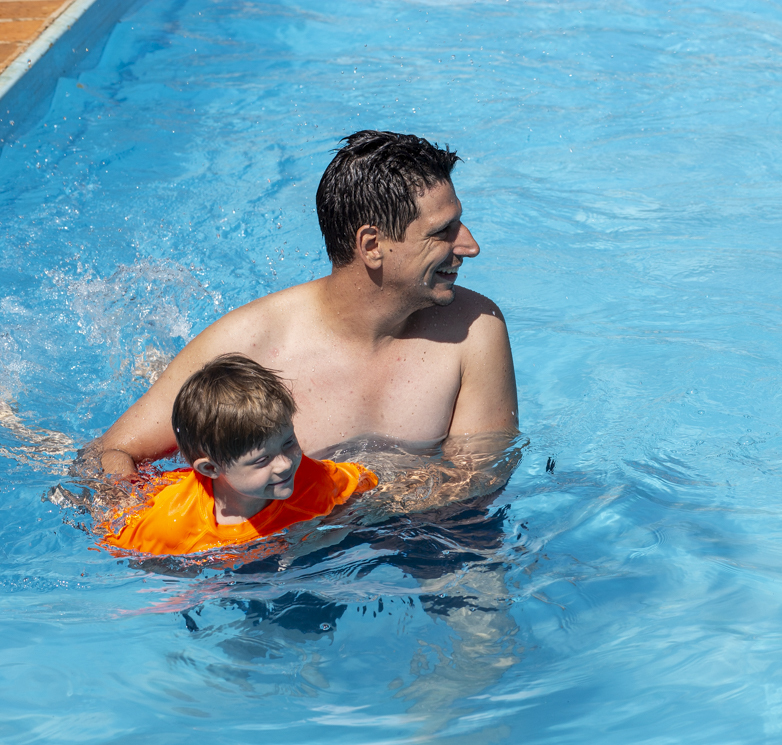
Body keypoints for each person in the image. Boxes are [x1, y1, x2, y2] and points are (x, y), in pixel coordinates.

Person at [94, 131, 518, 504]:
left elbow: (480, 481)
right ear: (372, 245)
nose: (470, 246)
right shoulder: (250, 344)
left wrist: (344, 507)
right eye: (443, 231)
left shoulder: (474, 329)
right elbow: (107, 455)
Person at [101, 354, 378, 556]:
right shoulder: (170, 525)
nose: (285, 464)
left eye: (288, 443)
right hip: (160, 492)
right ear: (211, 469)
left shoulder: (313, 479)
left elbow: (363, 485)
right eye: (262, 460)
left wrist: (327, 531)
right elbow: (114, 541)